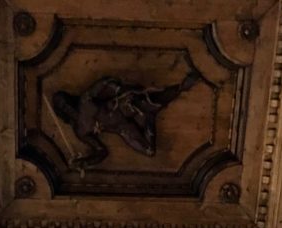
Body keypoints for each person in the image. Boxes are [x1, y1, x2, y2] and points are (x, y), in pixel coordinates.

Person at [51, 72, 200, 169]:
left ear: (70, 98)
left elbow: (104, 82)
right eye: (62, 108)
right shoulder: (80, 131)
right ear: (61, 113)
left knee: (144, 102)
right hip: (122, 127)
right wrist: (85, 162)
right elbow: (101, 151)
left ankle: (181, 88)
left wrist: (120, 90)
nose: (67, 108)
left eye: (65, 103)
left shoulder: (85, 100)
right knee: (149, 151)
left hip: (122, 107)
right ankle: (150, 118)